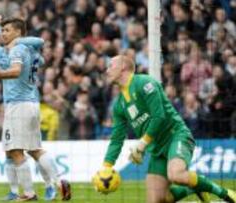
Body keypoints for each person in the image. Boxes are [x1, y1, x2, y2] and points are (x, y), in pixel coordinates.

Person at [99, 55, 236, 203]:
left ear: (123, 68)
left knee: (176, 175)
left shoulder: (145, 83)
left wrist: (142, 143)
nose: (107, 71)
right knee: (157, 200)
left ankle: (225, 193)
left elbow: (159, 117)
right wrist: (106, 166)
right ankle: (194, 187)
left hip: (176, 136)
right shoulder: (119, 105)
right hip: (157, 149)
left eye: (110, 66)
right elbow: (116, 139)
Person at [0, 17, 71, 201]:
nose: (3, 33)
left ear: (18, 33)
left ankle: (29, 193)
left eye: (7, 30)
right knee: (31, 149)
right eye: (2, 30)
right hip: (30, 103)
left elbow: (17, 70)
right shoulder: (5, 52)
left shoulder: (19, 49)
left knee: (17, 150)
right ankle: (58, 182)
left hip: (19, 105)